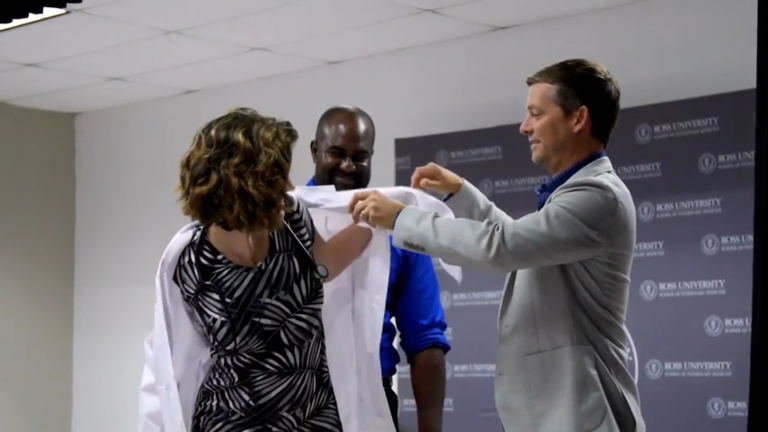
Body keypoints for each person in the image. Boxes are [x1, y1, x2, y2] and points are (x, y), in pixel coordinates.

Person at [348, 59, 646, 432]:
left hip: (578, 414)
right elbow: (519, 250)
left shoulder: (598, 196)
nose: (525, 127)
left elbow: (503, 247)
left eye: (536, 113)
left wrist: (399, 219)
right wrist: (461, 193)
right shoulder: (574, 194)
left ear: (578, 118)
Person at [137, 108, 374, 432]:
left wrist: (378, 223)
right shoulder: (190, 261)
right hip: (232, 422)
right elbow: (172, 366)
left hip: (313, 418)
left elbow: (325, 264)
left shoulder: (292, 221)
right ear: (246, 183)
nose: (285, 187)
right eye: (275, 176)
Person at [308, 105, 451, 432]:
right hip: (297, 400)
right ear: (315, 151)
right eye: (336, 153)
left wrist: (431, 426)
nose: (347, 166)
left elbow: (425, 339)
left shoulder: (397, 226)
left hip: (371, 400)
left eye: (359, 157)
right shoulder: (282, 222)